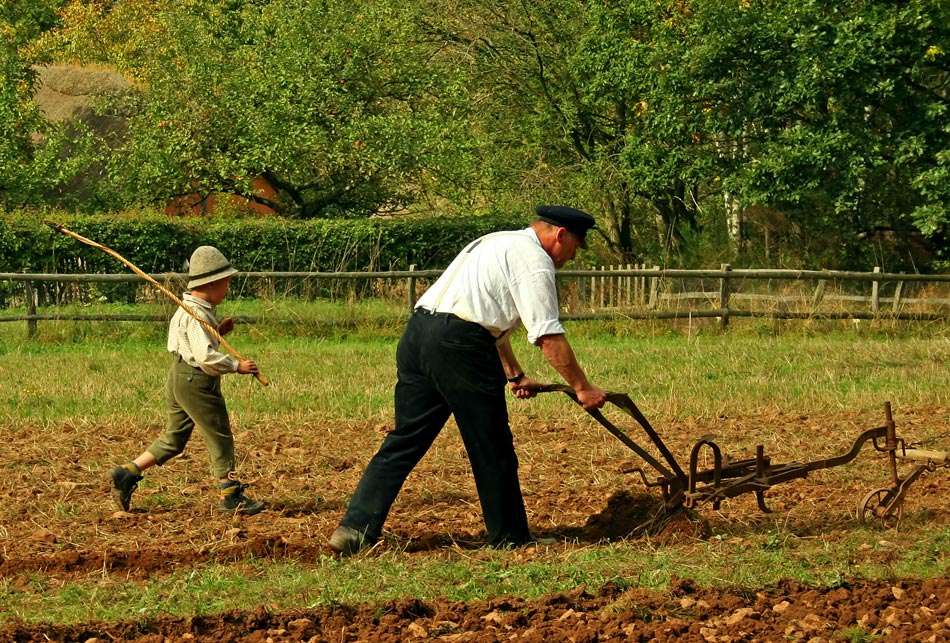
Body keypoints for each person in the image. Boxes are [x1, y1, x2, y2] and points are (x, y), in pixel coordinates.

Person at [328, 205, 608, 555]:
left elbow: (489, 319)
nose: (571, 257)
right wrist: (583, 387)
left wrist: (515, 374)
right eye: (575, 248)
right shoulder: (534, 261)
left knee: (406, 438)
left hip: (419, 335)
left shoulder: (495, 242)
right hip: (459, 345)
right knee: (491, 444)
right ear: (560, 235)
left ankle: (355, 529)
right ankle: (510, 538)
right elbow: (547, 335)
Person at [109, 246, 265, 515]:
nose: (227, 289)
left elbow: (195, 343)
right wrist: (236, 366)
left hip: (179, 377)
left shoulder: (190, 310)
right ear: (211, 283)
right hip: (197, 381)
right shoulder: (196, 315)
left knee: (175, 437)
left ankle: (128, 472)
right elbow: (205, 358)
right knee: (220, 435)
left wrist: (217, 331)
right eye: (226, 283)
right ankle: (230, 495)